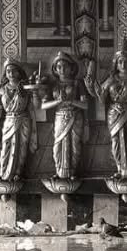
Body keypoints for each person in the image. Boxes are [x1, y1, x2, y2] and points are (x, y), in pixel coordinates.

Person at [92, 39, 127, 180]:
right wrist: (97, 91)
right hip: (114, 114)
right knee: (116, 142)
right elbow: (103, 99)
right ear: (116, 64)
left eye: (126, 62)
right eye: (120, 62)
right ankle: (120, 168)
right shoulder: (110, 79)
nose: (123, 64)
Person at [41, 51, 89, 180]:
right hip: (60, 118)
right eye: (59, 67)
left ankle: (72, 172)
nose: (62, 69)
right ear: (55, 69)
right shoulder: (53, 85)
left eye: (65, 66)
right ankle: (60, 172)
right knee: (58, 145)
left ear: (71, 68)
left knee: (74, 146)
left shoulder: (77, 84)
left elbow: (85, 105)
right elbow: (43, 106)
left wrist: (70, 101)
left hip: (75, 117)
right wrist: (58, 101)